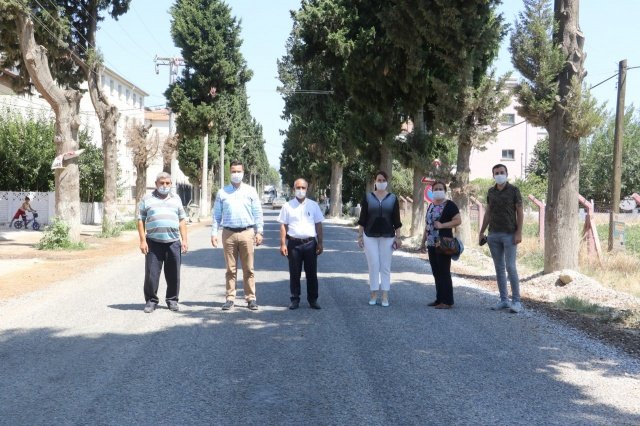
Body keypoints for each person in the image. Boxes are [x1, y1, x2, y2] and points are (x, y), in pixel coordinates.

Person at [211, 160, 264, 311]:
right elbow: (216, 215)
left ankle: (251, 298)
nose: (236, 174)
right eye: (233, 171)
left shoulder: (251, 191)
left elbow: (257, 213)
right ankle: (230, 298)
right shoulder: (222, 192)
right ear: (229, 172)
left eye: (238, 171)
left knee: (249, 268)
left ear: (243, 172)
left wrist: (259, 231)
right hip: (228, 233)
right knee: (230, 269)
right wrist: (214, 233)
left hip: (247, 232)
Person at [137, 172, 188, 313]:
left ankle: (172, 300)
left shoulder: (176, 199)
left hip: (173, 242)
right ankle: (151, 301)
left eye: (167, 183)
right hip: (153, 243)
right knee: (152, 274)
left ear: (171, 184)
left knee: (173, 274)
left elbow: (182, 220)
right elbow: (140, 219)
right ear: (156, 184)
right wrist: (142, 241)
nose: (164, 186)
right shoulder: (147, 198)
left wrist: (185, 240)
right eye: (162, 183)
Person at [478, 164, 524, 313]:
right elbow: (488, 212)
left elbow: (520, 212)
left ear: (507, 173)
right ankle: (504, 300)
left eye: (502, 172)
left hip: (510, 234)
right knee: (499, 268)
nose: (499, 175)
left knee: (510, 267)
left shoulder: (514, 190)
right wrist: (482, 232)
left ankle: (516, 301)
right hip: (493, 235)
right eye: (496, 173)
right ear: (493, 175)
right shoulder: (491, 192)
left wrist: (519, 232)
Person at [357, 171, 402, 307]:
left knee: (385, 266)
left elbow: (397, 220)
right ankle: (373, 294)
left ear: (387, 182)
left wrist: (398, 237)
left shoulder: (393, 198)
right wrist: (359, 235)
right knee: (373, 265)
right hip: (369, 236)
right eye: (379, 180)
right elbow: (362, 219)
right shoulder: (368, 197)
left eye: (383, 180)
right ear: (375, 181)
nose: (381, 182)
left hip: (388, 236)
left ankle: (385, 295)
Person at [278, 178, 325, 310]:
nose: (300, 190)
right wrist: (283, 244)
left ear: (307, 189)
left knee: (311, 274)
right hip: (294, 244)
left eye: (303, 188)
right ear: (293, 189)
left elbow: (318, 224)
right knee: (294, 273)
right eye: (298, 188)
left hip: (310, 244)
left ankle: (313, 299)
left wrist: (320, 242)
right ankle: (294, 299)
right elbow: (283, 226)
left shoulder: (313, 205)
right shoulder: (287, 206)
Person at [419, 181, 461, 309]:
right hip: (431, 243)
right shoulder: (430, 205)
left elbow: (458, 220)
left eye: (440, 188)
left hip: (443, 243)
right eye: (435, 188)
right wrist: (423, 242)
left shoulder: (450, 205)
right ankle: (439, 299)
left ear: (444, 190)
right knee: (436, 272)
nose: (437, 190)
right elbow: (427, 225)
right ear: (431, 190)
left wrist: (442, 225)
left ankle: (447, 301)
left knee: (444, 271)